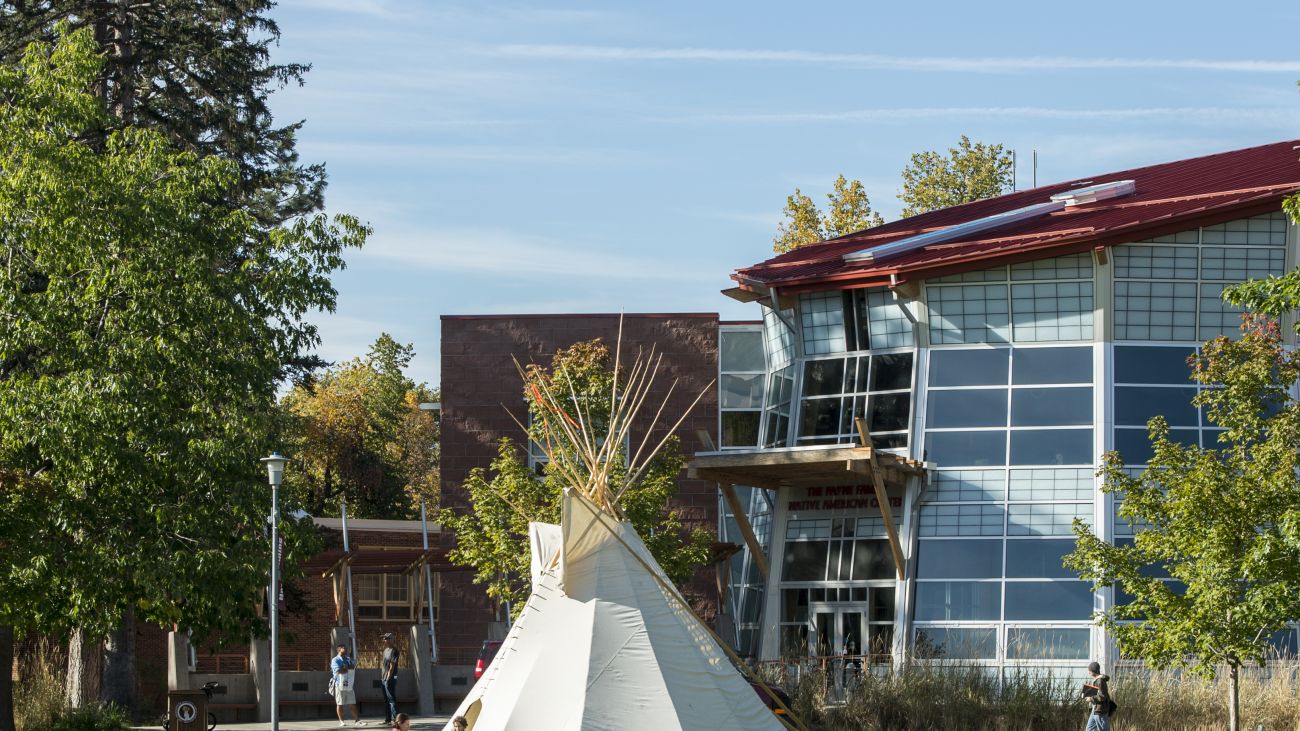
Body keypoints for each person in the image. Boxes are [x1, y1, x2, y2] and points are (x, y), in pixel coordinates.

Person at [331, 644, 366, 727]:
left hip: (349, 684)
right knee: (340, 703)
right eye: (343, 648)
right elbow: (339, 670)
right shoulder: (335, 660)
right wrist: (346, 668)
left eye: (346, 648)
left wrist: (345, 667)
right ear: (338, 650)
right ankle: (341, 721)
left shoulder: (348, 659)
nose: (345, 649)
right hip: (339, 684)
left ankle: (357, 721)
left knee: (352, 703)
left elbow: (352, 667)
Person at [1081, 660, 1112, 731]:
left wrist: (1091, 699)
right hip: (1095, 710)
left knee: (1104, 729)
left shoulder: (1100, 681)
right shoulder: (1097, 680)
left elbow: (1102, 696)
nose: (1088, 672)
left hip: (1100, 711)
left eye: (1089, 670)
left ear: (1093, 671)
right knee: (1089, 729)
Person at [380, 632, 401, 724]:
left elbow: (392, 666)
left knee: (391, 699)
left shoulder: (394, 650)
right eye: (384, 638)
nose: (384, 640)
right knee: (386, 699)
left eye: (386, 638)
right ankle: (388, 719)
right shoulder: (385, 650)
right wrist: (383, 677)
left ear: (391, 640)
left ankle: (394, 719)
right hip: (383, 678)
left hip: (390, 678)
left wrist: (388, 678)